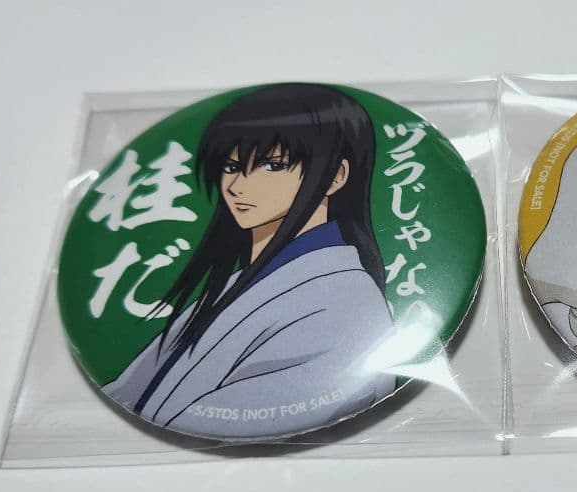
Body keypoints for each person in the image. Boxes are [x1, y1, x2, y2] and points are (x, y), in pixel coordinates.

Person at [103, 84, 395, 439]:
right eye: (232, 166)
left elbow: (250, 417)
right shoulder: (244, 284)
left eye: (273, 165)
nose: (238, 186)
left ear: (335, 176)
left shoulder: (342, 302)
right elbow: (133, 395)